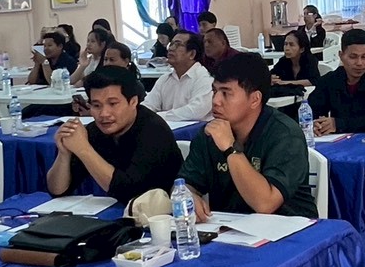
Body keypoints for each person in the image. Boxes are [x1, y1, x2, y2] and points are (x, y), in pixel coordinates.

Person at [179, 53, 317, 219]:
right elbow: (184, 184)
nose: (215, 101)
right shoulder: (210, 133)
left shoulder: (285, 135)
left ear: (255, 99)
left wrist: (230, 148)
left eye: (226, 93)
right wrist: (189, 196)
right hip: (230, 227)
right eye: (214, 91)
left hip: (291, 227)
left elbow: (265, 204)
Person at [47, 67, 182, 202]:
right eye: (96, 105)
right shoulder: (95, 131)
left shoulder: (154, 131)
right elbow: (58, 190)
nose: (104, 114)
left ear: (133, 102)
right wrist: (64, 154)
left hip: (161, 210)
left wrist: (84, 150)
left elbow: (128, 191)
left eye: (112, 104)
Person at [309, 28, 365, 135]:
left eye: (364, 57)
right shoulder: (329, 81)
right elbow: (312, 110)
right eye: (353, 57)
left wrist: (338, 124)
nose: (359, 63)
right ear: (341, 56)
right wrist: (316, 124)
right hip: (338, 140)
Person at [143, 30, 214, 121]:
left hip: (195, 129)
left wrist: (158, 117)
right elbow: (148, 105)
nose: (171, 49)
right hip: (165, 127)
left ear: (192, 54)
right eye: (171, 44)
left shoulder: (204, 79)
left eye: (177, 44)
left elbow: (195, 111)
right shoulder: (164, 79)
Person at [270, 29, 321, 94]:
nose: (287, 48)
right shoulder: (283, 61)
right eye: (285, 44)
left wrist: (285, 83)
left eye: (291, 45)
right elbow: (272, 74)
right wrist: (270, 79)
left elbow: (314, 81)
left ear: (302, 49)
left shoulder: (310, 60)